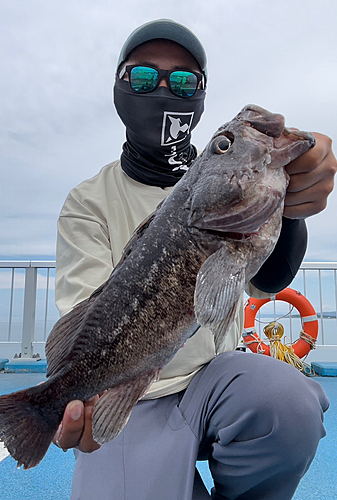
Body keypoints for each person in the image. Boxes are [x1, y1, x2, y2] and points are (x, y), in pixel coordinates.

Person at [54, 19, 336, 500]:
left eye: (184, 80)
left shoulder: (226, 197)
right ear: (120, 89)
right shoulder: (87, 201)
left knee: (286, 403)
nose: (164, 88)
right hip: (131, 395)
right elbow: (86, 318)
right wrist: (79, 394)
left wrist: (292, 209)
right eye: (143, 76)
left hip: (218, 380)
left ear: (200, 96)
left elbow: (267, 281)